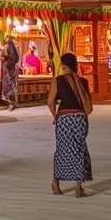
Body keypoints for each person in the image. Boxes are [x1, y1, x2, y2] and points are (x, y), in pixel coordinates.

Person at [48, 52, 94, 197]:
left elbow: (50, 101)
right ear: (76, 65)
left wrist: (55, 116)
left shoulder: (58, 80)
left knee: (62, 150)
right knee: (79, 149)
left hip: (64, 118)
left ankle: (56, 183)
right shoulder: (83, 81)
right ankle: (78, 187)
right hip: (79, 118)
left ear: (63, 65)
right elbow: (88, 106)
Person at [0, 37, 21, 109]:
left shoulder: (8, 47)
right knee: (12, 84)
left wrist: (4, 58)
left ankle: (11, 102)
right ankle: (12, 102)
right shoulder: (14, 47)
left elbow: (4, 56)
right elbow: (16, 58)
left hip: (9, 68)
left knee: (9, 84)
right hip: (11, 68)